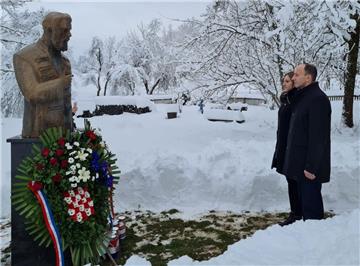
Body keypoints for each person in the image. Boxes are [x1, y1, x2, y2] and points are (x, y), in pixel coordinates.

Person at [282, 63, 331, 221]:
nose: (293, 78)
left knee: (312, 215)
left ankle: (317, 242)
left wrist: (311, 166)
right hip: (299, 164)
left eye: (296, 75)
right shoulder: (303, 97)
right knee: (303, 210)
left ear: (308, 78)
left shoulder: (317, 99)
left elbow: (318, 137)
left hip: (308, 169)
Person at [13, 12, 73, 138]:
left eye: (69, 30)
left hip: (64, 137)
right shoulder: (25, 57)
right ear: (49, 31)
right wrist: (61, 83)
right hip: (37, 136)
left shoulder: (65, 61)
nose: (69, 35)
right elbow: (31, 93)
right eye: (64, 31)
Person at [272, 72, 302, 226]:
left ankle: (297, 214)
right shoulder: (286, 100)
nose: (284, 83)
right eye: (283, 81)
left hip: (291, 147)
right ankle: (296, 212)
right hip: (283, 146)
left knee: (293, 180)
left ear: (294, 82)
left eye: (287, 81)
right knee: (290, 180)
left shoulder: (295, 101)